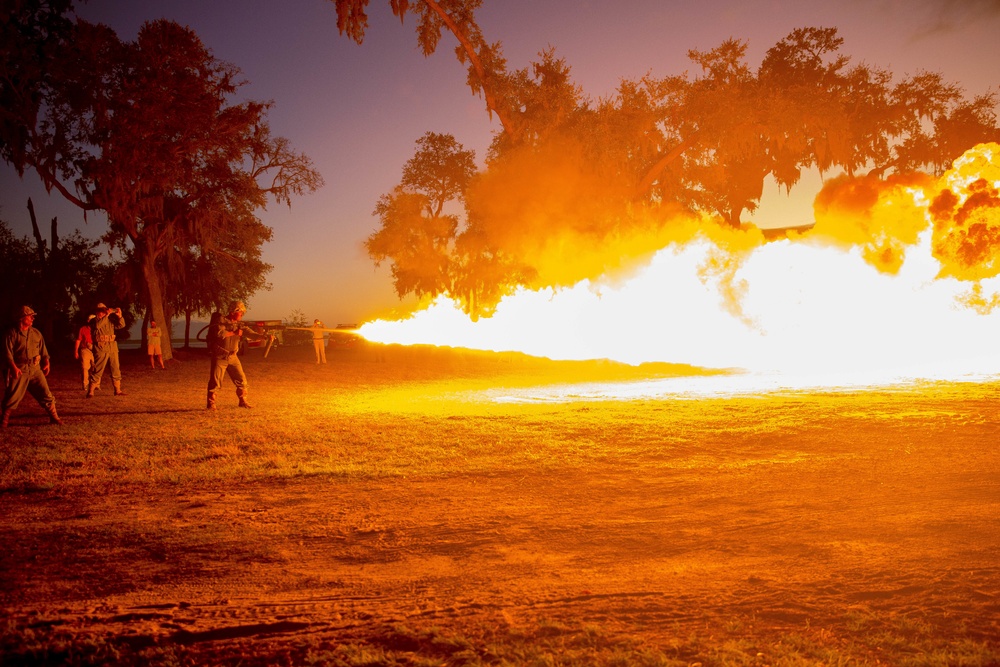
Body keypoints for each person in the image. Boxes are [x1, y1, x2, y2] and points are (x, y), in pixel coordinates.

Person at [2, 305, 62, 428]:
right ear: (21, 318)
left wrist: (46, 362)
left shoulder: (36, 333)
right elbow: (7, 353)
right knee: (12, 395)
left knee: (46, 393)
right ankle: (4, 421)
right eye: (30, 316)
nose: (32, 319)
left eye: (32, 317)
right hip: (19, 369)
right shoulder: (12, 334)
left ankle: (55, 418)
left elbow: (43, 350)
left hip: (35, 369)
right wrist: (13, 367)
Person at [206, 301, 272, 410]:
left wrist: (264, 336)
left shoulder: (239, 325)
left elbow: (251, 333)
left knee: (241, 380)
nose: (242, 315)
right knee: (215, 381)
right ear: (233, 312)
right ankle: (211, 403)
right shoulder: (221, 321)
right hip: (220, 356)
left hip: (233, 357)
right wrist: (235, 333)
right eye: (240, 313)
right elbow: (220, 334)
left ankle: (243, 401)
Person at [87, 303, 126, 397]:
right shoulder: (94, 321)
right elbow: (98, 326)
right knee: (98, 369)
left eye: (104, 311)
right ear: (97, 312)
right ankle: (91, 391)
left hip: (112, 347)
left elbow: (121, 325)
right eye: (101, 311)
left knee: (115, 368)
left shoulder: (109, 320)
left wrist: (120, 316)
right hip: (101, 347)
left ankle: (118, 390)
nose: (102, 313)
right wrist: (107, 315)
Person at [73, 314, 96, 391]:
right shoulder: (83, 329)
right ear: (88, 321)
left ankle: (95, 384)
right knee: (85, 368)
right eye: (90, 320)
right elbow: (78, 340)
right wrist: (76, 351)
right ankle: (85, 385)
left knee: (96, 368)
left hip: (95, 350)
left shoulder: (98, 329)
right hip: (85, 349)